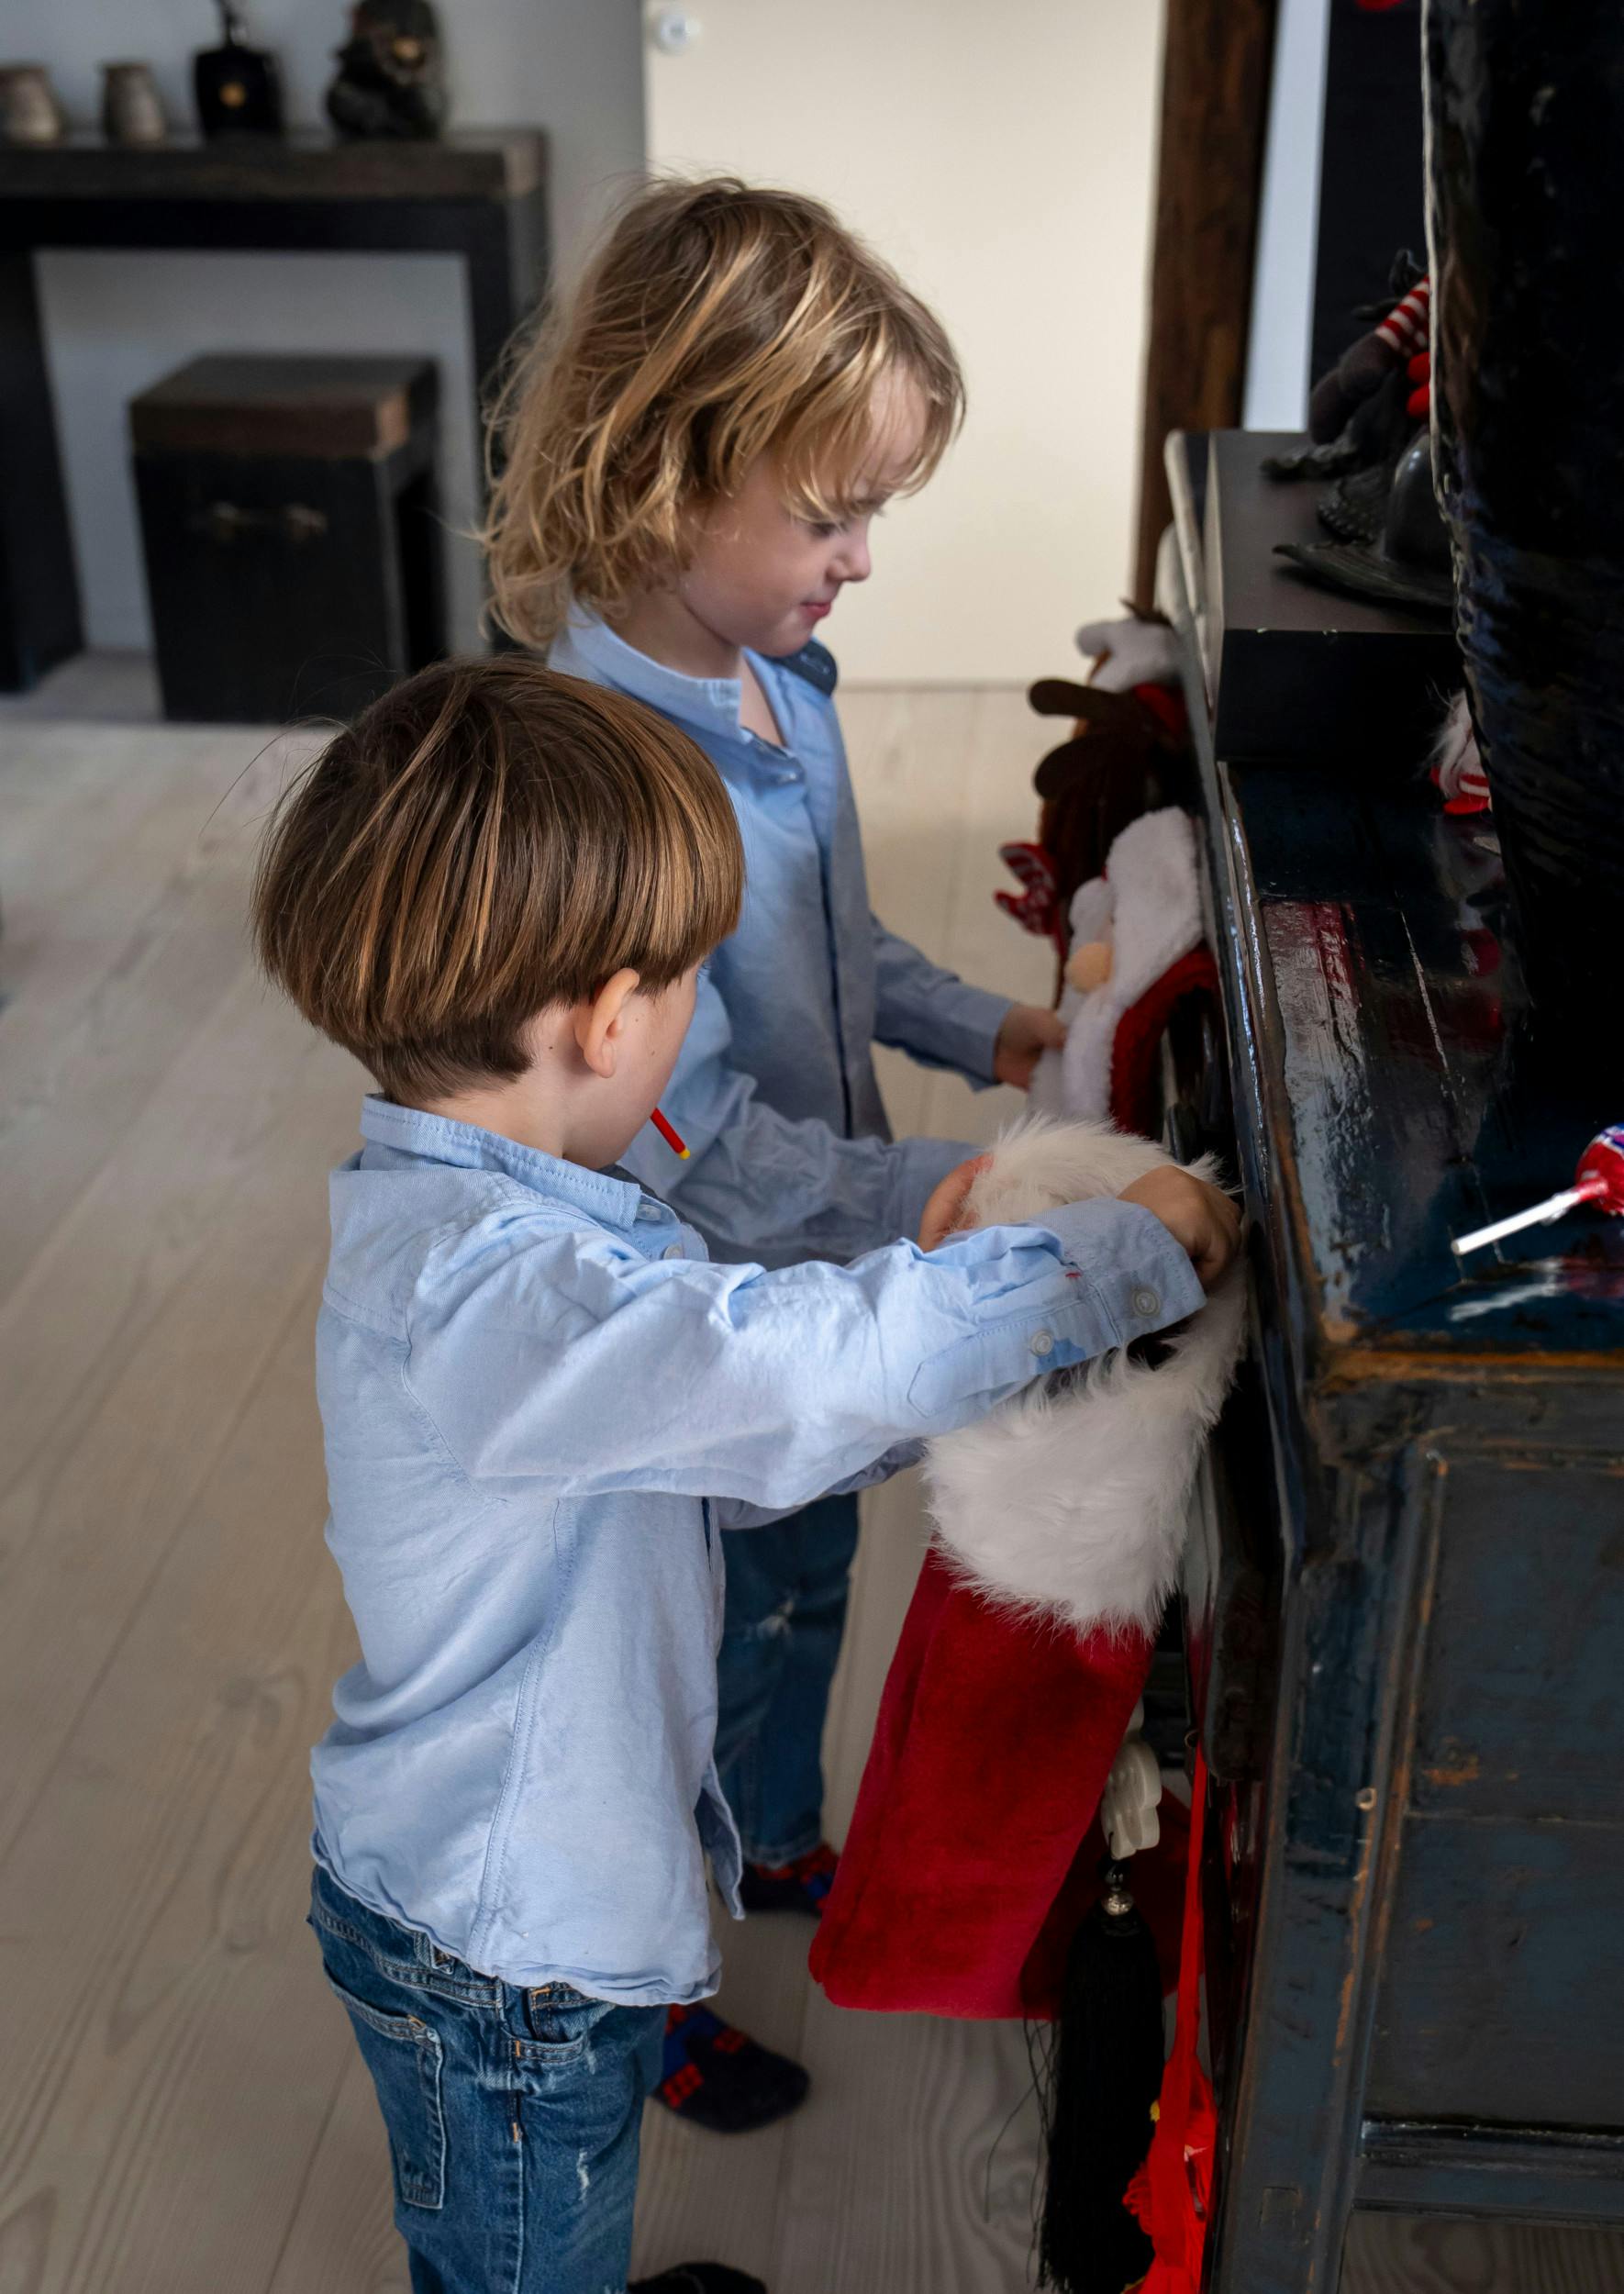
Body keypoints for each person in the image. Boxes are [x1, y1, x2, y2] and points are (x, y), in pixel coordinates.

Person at [252, 657, 1237, 2294]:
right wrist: (1105, 1263)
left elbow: (733, 1376)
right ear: (610, 1017)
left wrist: (962, 1290)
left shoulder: (514, 1211)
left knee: (553, 2188)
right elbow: (781, 1366)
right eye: (697, 989)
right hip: (501, 1947)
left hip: (522, 1896)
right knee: (516, 2243)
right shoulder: (494, 1296)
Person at [484, 179, 1067, 2120]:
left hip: (816, 1263)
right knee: (658, 1655)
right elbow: (706, 1138)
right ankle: (637, 1981)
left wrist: (993, 1033)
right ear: (660, 483)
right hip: (685, 1316)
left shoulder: (780, 687)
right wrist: (960, 1196)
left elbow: (840, 944)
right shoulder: (601, 795)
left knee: (805, 1575)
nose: (867, 559)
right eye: (830, 516)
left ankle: (773, 1830)